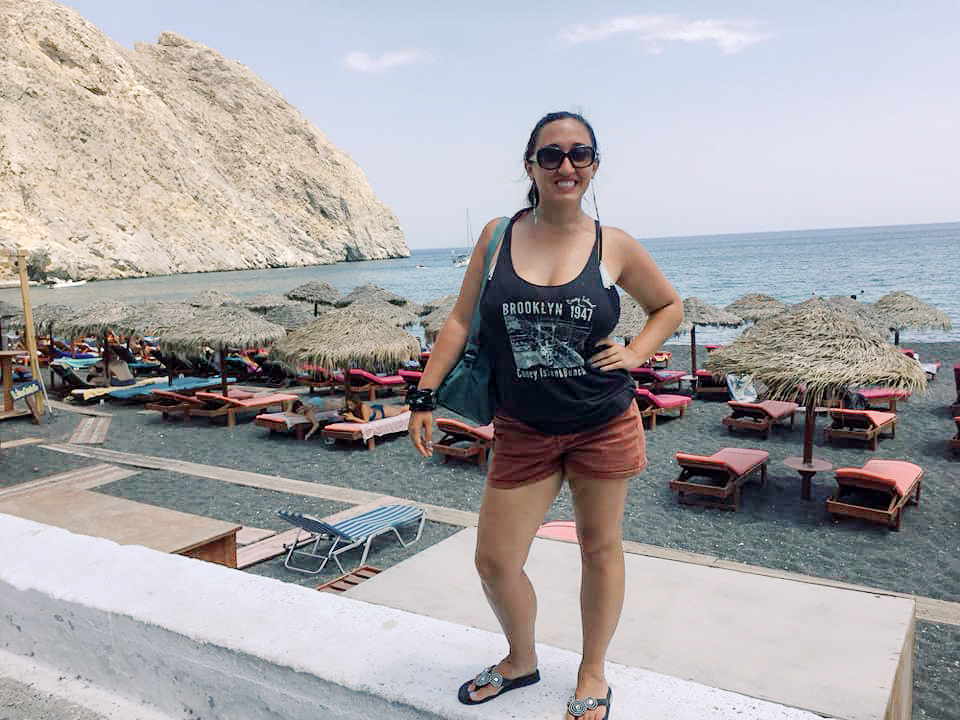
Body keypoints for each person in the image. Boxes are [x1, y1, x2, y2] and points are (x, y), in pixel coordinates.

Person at [409, 111, 683, 720]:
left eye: (579, 154)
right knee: (496, 560)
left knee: (600, 549)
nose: (566, 165)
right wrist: (423, 396)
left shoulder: (615, 245)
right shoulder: (497, 235)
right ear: (529, 165)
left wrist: (636, 352)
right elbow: (459, 322)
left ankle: (591, 671)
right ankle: (520, 659)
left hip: (602, 420)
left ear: (594, 165)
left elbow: (668, 305)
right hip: (523, 427)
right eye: (551, 154)